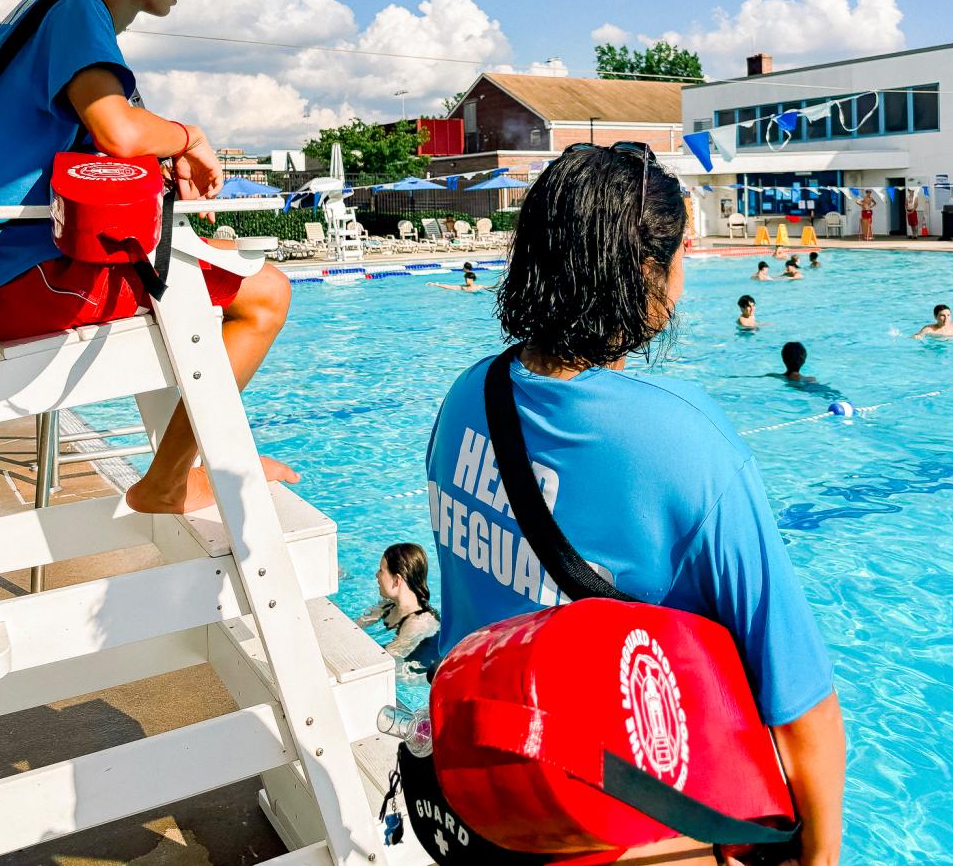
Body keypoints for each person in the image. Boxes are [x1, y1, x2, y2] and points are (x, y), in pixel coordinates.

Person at [427, 143, 844, 865]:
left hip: (483, 799)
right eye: (678, 253)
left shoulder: (467, 396)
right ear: (645, 272)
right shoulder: (688, 442)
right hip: (605, 823)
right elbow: (804, 713)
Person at [0, 0, 297, 514]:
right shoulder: (77, 12)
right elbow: (118, 131)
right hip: (14, 283)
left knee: (214, 256)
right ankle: (166, 482)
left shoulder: (38, 14)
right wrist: (186, 136)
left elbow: (86, 157)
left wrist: (164, 155)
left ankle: (183, 465)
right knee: (266, 295)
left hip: (0, 268)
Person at [355, 542, 440, 680]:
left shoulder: (419, 622)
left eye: (381, 570)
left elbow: (386, 662)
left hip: (415, 677)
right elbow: (353, 627)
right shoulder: (386, 606)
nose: (377, 575)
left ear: (397, 580)